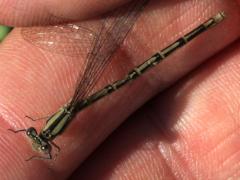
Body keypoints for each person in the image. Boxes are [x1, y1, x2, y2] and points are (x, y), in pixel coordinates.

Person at [0, 0, 239, 179]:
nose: (41, 138)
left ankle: (210, 21)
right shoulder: (53, 125)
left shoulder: (54, 131)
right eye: (42, 140)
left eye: (38, 136)